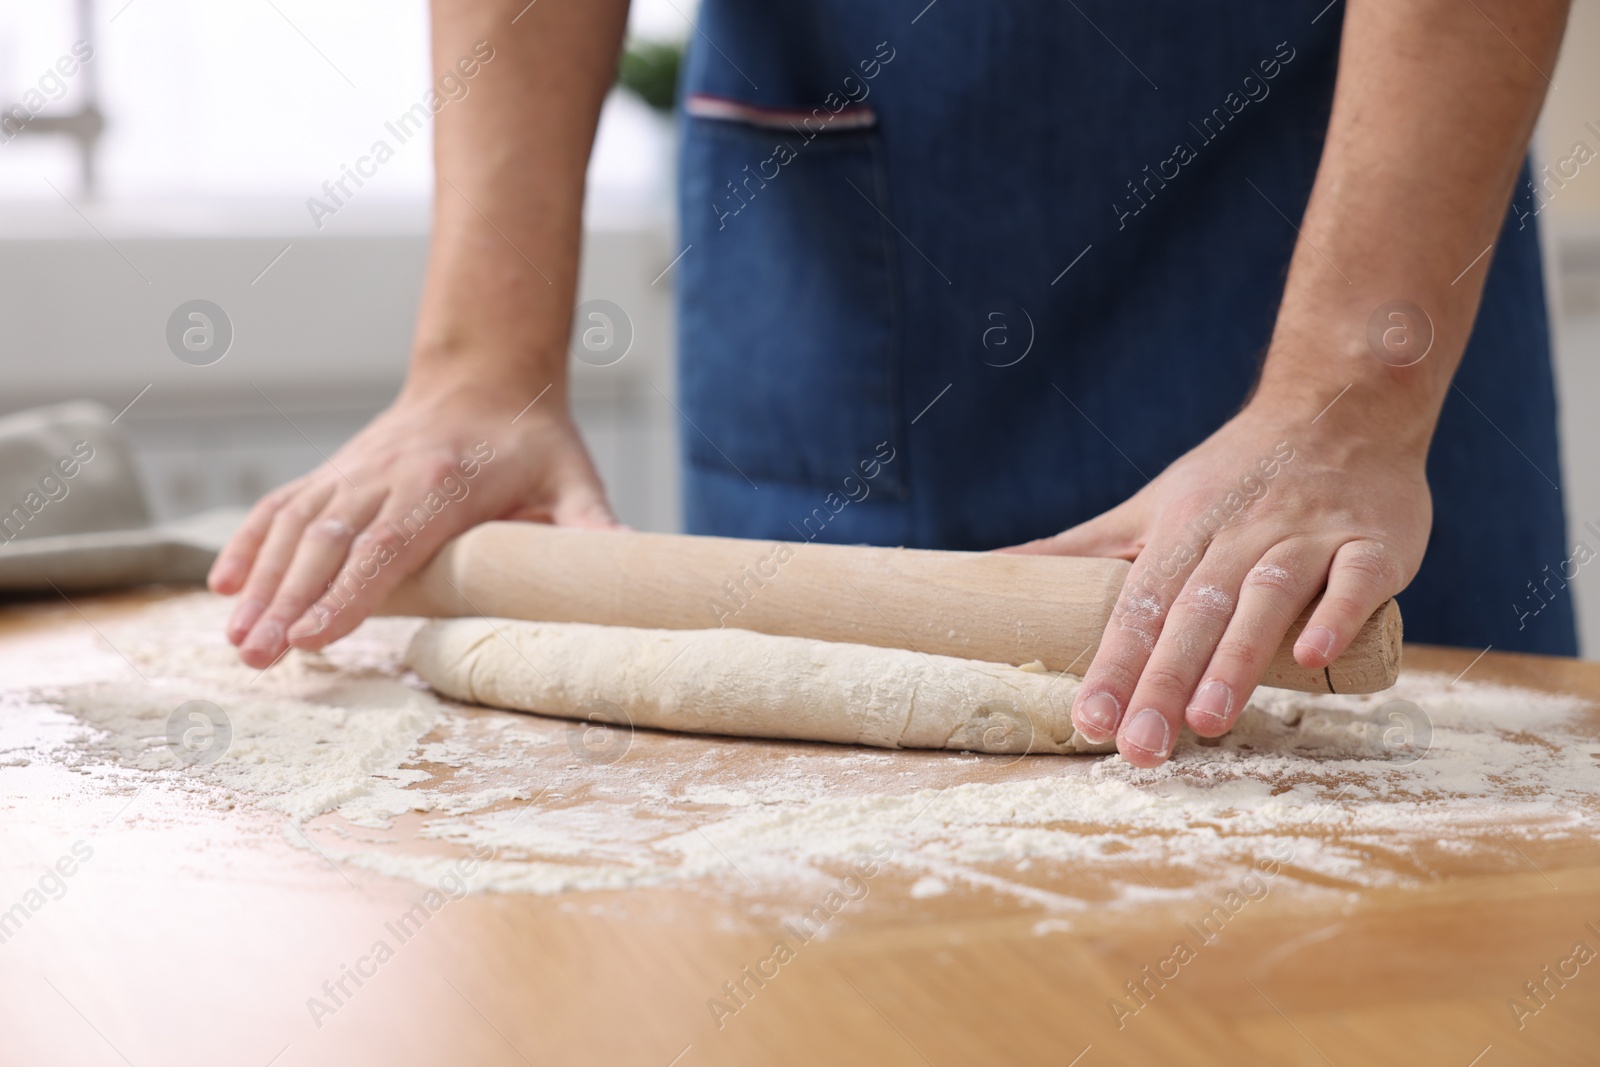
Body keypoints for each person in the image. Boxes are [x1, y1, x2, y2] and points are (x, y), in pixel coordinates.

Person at [210, 0, 1576, 769]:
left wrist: (1346, 394)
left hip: (1358, 215)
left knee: (1381, 899)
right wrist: (478, 366)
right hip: (853, 234)